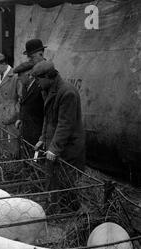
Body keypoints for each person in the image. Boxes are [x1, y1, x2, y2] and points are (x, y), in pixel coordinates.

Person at [32, 61, 85, 213]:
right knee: (52, 178)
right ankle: (54, 208)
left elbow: (65, 125)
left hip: (68, 146)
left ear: (49, 77)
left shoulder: (67, 93)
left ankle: (72, 213)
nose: (36, 83)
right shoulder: (47, 90)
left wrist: (54, 149)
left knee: (66, 181)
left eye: (38, 79)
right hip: (54, 142)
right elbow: (47, 119)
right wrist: (42, 139)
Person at [0, 53, 22, 159]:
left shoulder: (15, 77)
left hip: (12, 121)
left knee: (14, 147)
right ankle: (6, 166)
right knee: (3, 145)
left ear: (3, 64)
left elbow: (21, 99)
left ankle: (15, 169)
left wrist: (13, 113)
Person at [13, 61, 44, 147]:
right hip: (26, 129)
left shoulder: (39, 87)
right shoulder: (25, 86)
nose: (18, 78)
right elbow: (23, 104)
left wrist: (43, 137)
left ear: (29, 75)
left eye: (20, 75)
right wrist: (20, 118)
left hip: (37, 131)